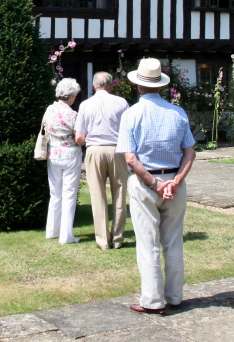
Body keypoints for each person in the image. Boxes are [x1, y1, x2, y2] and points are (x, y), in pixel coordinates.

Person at [117, 58, 196, 314]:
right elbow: (190, 152)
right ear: (160, 85)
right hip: (174, 180)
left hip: (145, 182)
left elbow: (130, 158)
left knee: (147, 242)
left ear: (138, 85)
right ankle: (174, 296)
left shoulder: (131, 115)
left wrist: (156, 184)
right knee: (173, 242)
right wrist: (175, 181)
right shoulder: (178, 113)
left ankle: (152, 300)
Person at [75, 71, 129, 250]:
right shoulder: (121, 102)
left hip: (94, 150)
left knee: (97, 195)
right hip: (117, 149)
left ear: (94, 85)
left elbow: (80, 137)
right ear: (111, 85)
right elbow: (129, 130)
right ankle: (118, 238)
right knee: (120, 193)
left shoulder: (85, 105)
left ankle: (103, 239)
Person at [44, 78, 82, 245]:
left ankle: (52, 230)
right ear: (71, 95)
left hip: (53, 153)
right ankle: (66, 236)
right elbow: (79, 137)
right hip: (71, 155)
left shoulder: (49, 110)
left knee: (55, 193)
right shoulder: (73, 114)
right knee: (69, 194)